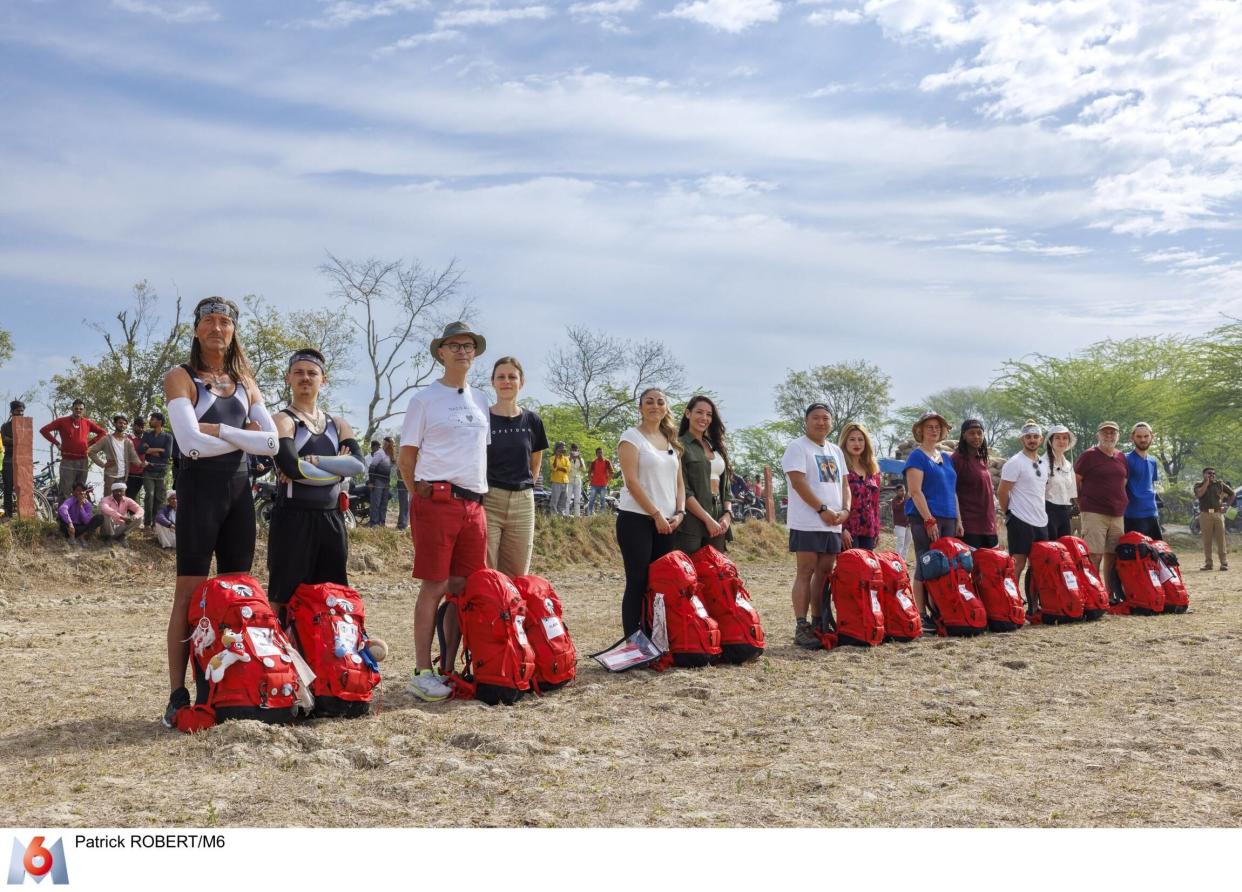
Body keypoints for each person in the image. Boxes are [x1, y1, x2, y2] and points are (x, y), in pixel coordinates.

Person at [161, 296, 279, 728]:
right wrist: (241, 434)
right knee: (190, 595)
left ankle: (231, 686)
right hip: (198, 491)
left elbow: (270, 443)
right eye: (209, 320)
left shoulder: (246, 381)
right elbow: (190, 444)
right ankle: (178, 693)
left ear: (233, 331)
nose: (217, 327)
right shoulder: (181, 376)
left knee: (236, 595)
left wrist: (219, 430)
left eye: (225, 321)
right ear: (196, 329)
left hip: (238, 493)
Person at [398, 322, 491, 702]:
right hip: (436, 499)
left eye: (468, 346)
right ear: (440, 352)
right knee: (434, 585)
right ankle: (422, 669)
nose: (462, 351)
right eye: (454, 346)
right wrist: (420, 498)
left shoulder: (481, 399)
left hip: (474, 503)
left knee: (465, 587)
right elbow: (407, 458)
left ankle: (451, 665)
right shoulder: (424, 400)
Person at [268, 349, 365, 615]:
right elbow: (292, 468)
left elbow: (357, 465)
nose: (305, 378)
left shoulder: (338, 423)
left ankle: (329, 652)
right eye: (298, 372)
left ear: (324, 379)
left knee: (332, 593)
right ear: (288, 377)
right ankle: (282, 652)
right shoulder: (282, 420)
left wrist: (315, 461)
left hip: (331, 519)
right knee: (284, 594)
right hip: (292, 518)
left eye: (312, 373)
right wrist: (337, 466)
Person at [616, 388, 686, 636]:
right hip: (637, 519)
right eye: (649, 402)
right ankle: (633, 641)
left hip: (668, 522)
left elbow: (679, 483)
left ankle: (656, 637)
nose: (654, 406)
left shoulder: (672, 442)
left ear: (666, 407)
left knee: (660, 583)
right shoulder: (631, 437)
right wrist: (655, 514)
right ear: (640, 407)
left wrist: (679, 513)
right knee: (637, 581)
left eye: (660, 402)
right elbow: (631, 482)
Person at [782, 403, 850, 649]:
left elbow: (845, 485)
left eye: (825, 418)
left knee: (824, 571)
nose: (821, 422)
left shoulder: (835, 451)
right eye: (816, 418)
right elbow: (799, 483)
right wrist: (822, 509)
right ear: (806, 420)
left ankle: (819, 620)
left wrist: (845, 510)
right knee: (806, 571)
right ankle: (802, 626)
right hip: (808, 521)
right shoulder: (797, 447)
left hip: (833, 523)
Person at [484, 355, 548, 577]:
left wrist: (525, 487)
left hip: (523, 502)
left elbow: (535, 462)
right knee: (486, 571)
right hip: (489, 500)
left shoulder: (533, 421)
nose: (506, 381)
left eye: (512, 376)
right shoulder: (483, 418)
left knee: (517, 574)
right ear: (492, 382)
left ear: (521, 382)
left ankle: (512, 612)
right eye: (501, 377)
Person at [903, 411, 963, 630]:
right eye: (929, 426)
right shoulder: (916, 457)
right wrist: (929, 520)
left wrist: (958, 518)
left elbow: (952, 490)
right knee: (925, 562)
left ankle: (939, 607)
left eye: (937, 426)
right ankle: (921, 613)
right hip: (925, 517)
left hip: (948, 516)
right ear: (920, 430)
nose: (934, 430)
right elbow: (915, 491)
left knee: (945, 565)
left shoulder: (946, 458)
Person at [997, 421, 1050, 611]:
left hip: (1041, 520)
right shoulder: (1015, 462)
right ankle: (1010, 602)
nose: (1032, 440)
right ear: (1022, 439)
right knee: (1017, 562)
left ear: (1041, 439)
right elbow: (1002, 492)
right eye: (1028, 437)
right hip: (1020, 518)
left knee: (1038, 564)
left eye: (1035, 437)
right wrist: (1009, 513)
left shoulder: (1044, 463)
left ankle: (1033, 604)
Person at [675, 395, 733, 555]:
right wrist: (707, 519)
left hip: (719, 522)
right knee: (689, 575)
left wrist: (727, 515)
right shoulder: (678, 446)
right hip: (690, 523)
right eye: (699, 412)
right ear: (688, 414)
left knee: (715, 575)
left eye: (709, 414)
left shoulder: (717, 446)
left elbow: (727, 489)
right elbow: (683, 490)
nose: (704, 418)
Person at [1074, 421, 1128, 579]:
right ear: (1098, 435)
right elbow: (1076, 481)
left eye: (1113, 433)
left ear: (1118, 436)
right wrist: (1082, 503)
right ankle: (1093, 597)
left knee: (1112, 555)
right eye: (1105, 433)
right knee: (1094, 555)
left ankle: (1109, 595)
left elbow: (1123, 481)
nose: (1109, 436)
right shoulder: (1088, 455)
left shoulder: (1121, 457)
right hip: (1094, 512)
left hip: (1117, 514)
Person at [40, 399, 106, 498]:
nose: (78, 410)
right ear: (72, 408)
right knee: (65, 490)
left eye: (81, 409)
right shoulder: (62, 421)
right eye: (76, 408)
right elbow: (44, 430)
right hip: (68, 461)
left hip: (83, 460)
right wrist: (57, 443)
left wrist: (89, 443)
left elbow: (103, 432)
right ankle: (63, 513)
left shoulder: (87, 423)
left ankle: (78, 513)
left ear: (83, 410)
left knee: (81, 490)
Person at [952, 419, 998, 549]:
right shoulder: (957, 459)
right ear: (963, 435)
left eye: (979, 433)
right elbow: (951, 491)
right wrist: (958, 521)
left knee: (990, 567)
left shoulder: (982, 458)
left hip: (988, 526)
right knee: (969, 567)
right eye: (971, 433)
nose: (976, 437)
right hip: (969, 526)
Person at [839, 422, 881, 550]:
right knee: (851, 568)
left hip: (868, 530)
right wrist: (841, 529)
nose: (857, 444)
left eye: (860, 440)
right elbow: (834, 499)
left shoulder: (873, 470)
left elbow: (875, 503)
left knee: (867, 569)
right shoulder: (840, 467)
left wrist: (877, 529)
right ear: (845, 442)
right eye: (852, 439)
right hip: (848, 530)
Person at [1124, 422, 1163, 540]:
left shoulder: (1153, 461)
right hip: (1132, 514)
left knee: (1156, 553)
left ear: (1152, 436)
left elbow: (1151, 485)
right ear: (1132, 438)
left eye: (1146, 436)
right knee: (1135, 555)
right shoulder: (1125, 459)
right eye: (1139, 436)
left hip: (1152, 513)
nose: (1143, 440)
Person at [88, 414, 142, 497]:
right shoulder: (106, 439)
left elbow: (134, 457)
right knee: (108, 500)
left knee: (121, 501)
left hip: (123, 476)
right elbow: (91, 452)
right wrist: (103, 464)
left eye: (124, 424)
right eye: (120, 423)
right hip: (110, 475)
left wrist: (142, 464)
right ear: (114, 424)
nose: (122, 425)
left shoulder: (128, 442)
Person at [1194, 467, 1233, 571]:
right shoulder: (1199, 484)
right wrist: (1206, 482)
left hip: (1218, 514)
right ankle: (1208, 564)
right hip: (1205, 514)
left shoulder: (1219, 484)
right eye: (1209, 473)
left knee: (1221, 539)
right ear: (1204, 474)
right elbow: (1200, 494)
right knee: (1207, 540)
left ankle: (1224, 563)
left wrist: (1227, 506)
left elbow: (1232, 493)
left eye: (1213, 473)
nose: (1212, 475)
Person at [1043, 424, 1078, 539]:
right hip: (1046, 511)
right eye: (1057, 438)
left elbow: (1072, 492)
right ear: (1050, 441)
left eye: (1064, 438)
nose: (1061, 441)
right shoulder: (1041, 464)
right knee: (1049, 550)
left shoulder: (1068, 465)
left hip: (1064, 512)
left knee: (1064, 549)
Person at [139, 411, 174, 528]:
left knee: (159, 498)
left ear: (159, 421)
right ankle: (147, 523)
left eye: (153, 419)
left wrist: (151, 449)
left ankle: (156, 523)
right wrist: (160, 450)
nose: (150, 421)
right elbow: (141, 450)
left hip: (161, 472)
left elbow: (167, 455)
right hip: (148, 470)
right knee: (150, 494)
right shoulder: (147, 435)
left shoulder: (168, 437)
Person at [56, 482, 103, 546]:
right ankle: (71, 537)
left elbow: (86, 521)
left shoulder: (88, 504)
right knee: (62, 519)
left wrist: (80, 506)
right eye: (78, 490)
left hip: (81, 528)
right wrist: (70, 523)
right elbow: (62, 509)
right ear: (73, 492)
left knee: (99, 518)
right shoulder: (70, 500)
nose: (81, 492)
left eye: (83, 490)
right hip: (70, 527)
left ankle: (82, 537)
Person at [2, 400, 24, 519]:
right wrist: (18, 440)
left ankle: (24, 516)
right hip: (9, 460)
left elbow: (27, 441)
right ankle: (8, 515)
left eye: (22, 411)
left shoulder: (26, 425)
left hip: (23, 460)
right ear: (12, 412)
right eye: (17, 411)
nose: (20, 413)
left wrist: (13, 440)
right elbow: (5, 440)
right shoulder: (5, 426)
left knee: (23, 488)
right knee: (8, 489)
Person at [366, 440, 392, 527]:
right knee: (376, 503)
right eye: (392, 444)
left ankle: (382, 523)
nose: (394, 446)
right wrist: (371, 482)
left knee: (384, 503)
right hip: (378, 481)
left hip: (386, 481)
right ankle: (374, 523)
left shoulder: (389, 454)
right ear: (387, 444)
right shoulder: (379, 453)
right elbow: (372, 467)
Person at [125, 416, 147, 500]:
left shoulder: (145, 439)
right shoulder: (128, 438)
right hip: (129, 473)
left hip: (140, 473)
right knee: (127, 496)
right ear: (134, 426)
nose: (141, 428)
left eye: (143, 426)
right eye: (139, 426)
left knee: (133, 496)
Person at [588, 447, 613, 515]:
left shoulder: (607, 461)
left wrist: (607, 480)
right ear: (596, 454)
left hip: (603, 485)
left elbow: (612, 472)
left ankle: (602, 514)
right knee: (591, 500)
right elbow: (589, 472)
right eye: (599, 453)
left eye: (601, 452)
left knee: (602, 500)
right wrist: (591, 480)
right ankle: (589, 513)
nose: (600, 454)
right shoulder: (593, 462)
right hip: (594, 485)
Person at [548, 442, 570, 516]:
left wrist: (559, 468)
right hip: (556, 481)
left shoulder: (566, 458)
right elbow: (553, 468)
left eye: (564, 447)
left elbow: (567, 469)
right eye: (561, 447)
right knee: (554, 500)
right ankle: (553, 517)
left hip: (565, 481)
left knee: (563, 500)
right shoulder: (552, 458)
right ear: (557, 448)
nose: (563, 449)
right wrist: (556, 457)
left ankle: (561, 515)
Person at [891, 483, 911, 561]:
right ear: (896, 492)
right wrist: (906, 500)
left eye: (904, 490)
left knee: (907, 544)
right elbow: (898, 507)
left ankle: (903, 560)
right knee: (901, 543)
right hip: (899, 525)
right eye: (901, 491)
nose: (903, 492)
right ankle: (897, 560)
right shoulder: (894, 501)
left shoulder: (905, 500)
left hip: (907, 525)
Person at [567, 443, 586, 517]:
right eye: (573, 449)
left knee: (577, 500)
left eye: (576, 450)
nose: (575, 451)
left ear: (578, 450)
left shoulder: (581, 459)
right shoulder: (567, 458)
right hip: (569, 480)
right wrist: (571, 458)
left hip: (577, 481)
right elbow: (566, 467)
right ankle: (566, 515)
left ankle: (577, 516)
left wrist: (579, 458)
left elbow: (583, 469)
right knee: (567, 499)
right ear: (571, 450)